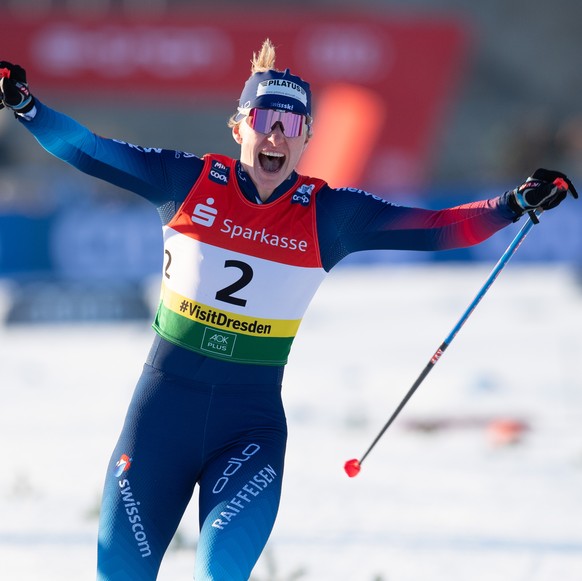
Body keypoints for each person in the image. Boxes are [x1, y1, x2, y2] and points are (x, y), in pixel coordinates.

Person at [0, 39, 577, 580]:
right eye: (262, 120)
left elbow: (435, 229)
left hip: (247, 432)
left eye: (291, 124)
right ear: (238, 127)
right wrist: (27, 107)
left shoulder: (329, 215)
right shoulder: (187, 181)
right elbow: (90, 151)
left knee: (220, 573)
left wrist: (513, 203)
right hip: (159, 422)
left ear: (306, 139)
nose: (275, 135)